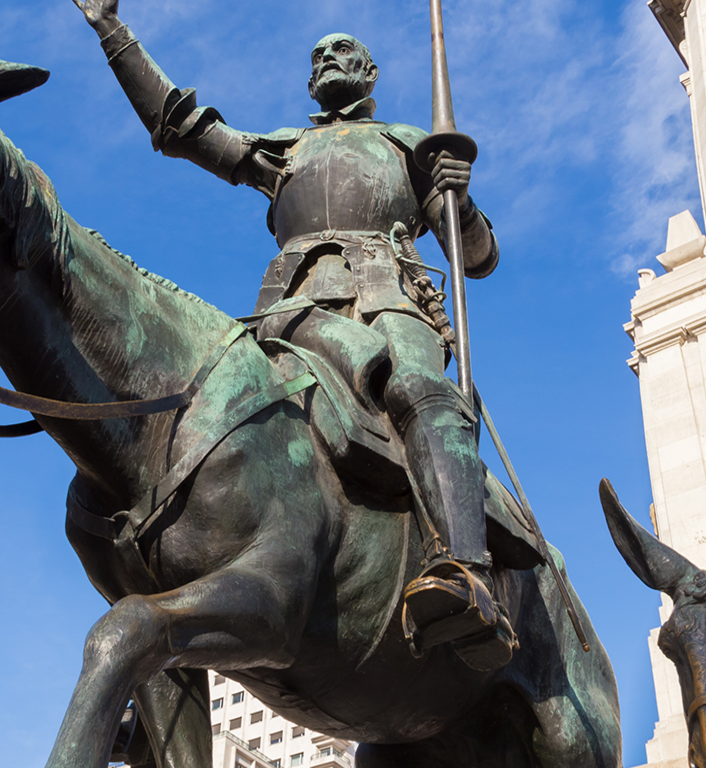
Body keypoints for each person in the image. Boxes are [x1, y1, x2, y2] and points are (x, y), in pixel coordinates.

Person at [70, 0, 513, 668]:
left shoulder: (407, 146)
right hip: (286, 315)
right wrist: (112, 29)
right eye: (318, 56)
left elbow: (475, 256)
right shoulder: (286, 150)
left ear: (369, 72)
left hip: (384, 303)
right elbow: (181, 127)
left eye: (343, 51)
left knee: (422, 391)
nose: (327, 58)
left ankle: (465, 571)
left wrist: (460, 197)